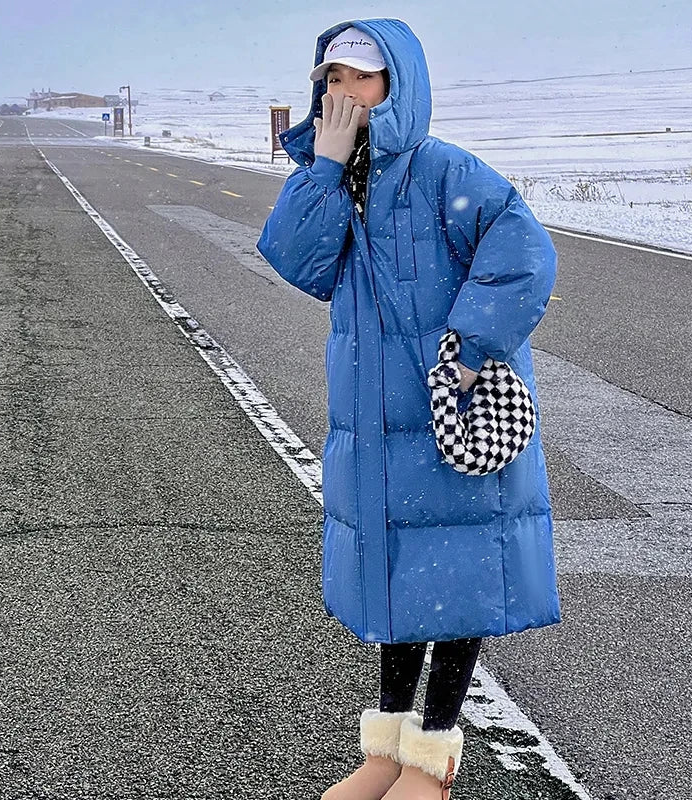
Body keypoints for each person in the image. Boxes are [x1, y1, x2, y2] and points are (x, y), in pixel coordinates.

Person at [256, 19, 561, 800]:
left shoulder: (443, 170)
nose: (344, 93)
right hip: (375, 419)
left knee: (455, 577)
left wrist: (469, 346)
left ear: (398, 83)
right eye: (332, 78)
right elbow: (296, 258)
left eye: (361, 76)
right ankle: (384, 753)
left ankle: (433, 759)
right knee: (396, 577)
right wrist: (322, 168)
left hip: (448, 407)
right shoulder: (336, 175)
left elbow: (524, 250)